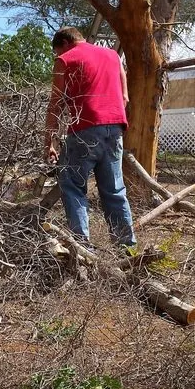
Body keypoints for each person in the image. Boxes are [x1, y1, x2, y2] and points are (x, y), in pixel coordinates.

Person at [44, 26, 136, 248]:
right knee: (114, 190)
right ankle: (127, 248)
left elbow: (55, 104)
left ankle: (82, 247)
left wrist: (49, 142)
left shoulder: (65, 60)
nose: (58, 56)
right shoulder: (113, 56)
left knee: (71, 184)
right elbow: (124, 98)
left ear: (64, 44)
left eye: (58, 52)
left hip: (85, 129)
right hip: (115, 129)